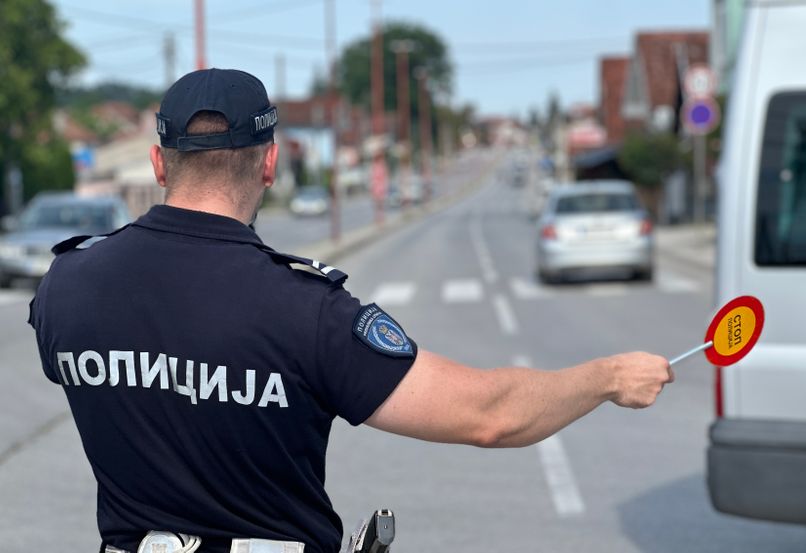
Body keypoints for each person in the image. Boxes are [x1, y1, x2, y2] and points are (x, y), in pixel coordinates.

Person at [28, 69, 673, 553]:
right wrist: (609, 377)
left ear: (158, 162)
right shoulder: (305, 311)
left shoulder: (68, 285)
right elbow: (490, 417)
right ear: (272, 163)